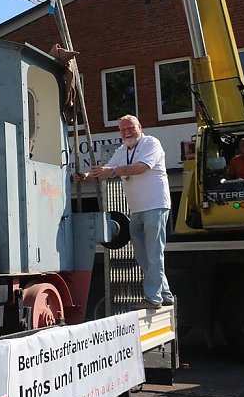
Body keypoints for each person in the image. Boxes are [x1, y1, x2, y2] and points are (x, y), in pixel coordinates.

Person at [74, 115, 173, 310]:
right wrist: (85, 176)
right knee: (143, 255)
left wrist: (111, 172)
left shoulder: (151, 143)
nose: (127, 132)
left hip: (155, 205)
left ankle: (153, 298)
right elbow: (107, 169)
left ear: (140, 127)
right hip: (136, 209)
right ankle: (164, 294)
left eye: (130, 128)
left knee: (154, 253)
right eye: (123, 129)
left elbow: (141, 168)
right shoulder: (122, 150)